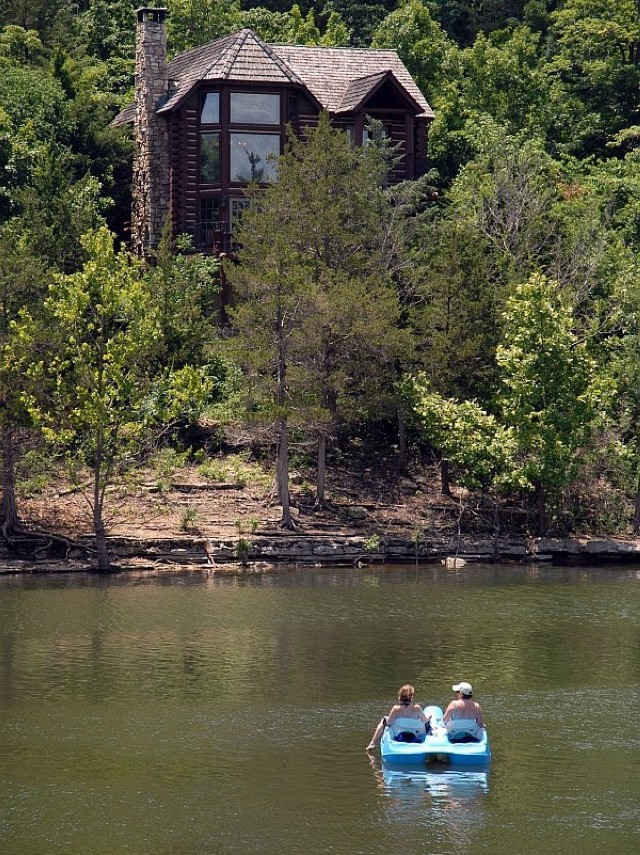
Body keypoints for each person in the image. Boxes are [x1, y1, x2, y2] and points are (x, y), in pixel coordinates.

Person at [366, 684, 432, 751]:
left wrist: (386, 718)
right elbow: (425, 721)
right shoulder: (417, 708)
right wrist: (429, 716)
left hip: (400, 737)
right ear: (411, 698)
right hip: (414, 738)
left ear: (399, 697)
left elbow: (388, 723)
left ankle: (372, 743)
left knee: (383, 720)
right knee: (428, 724)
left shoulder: (395, 709)